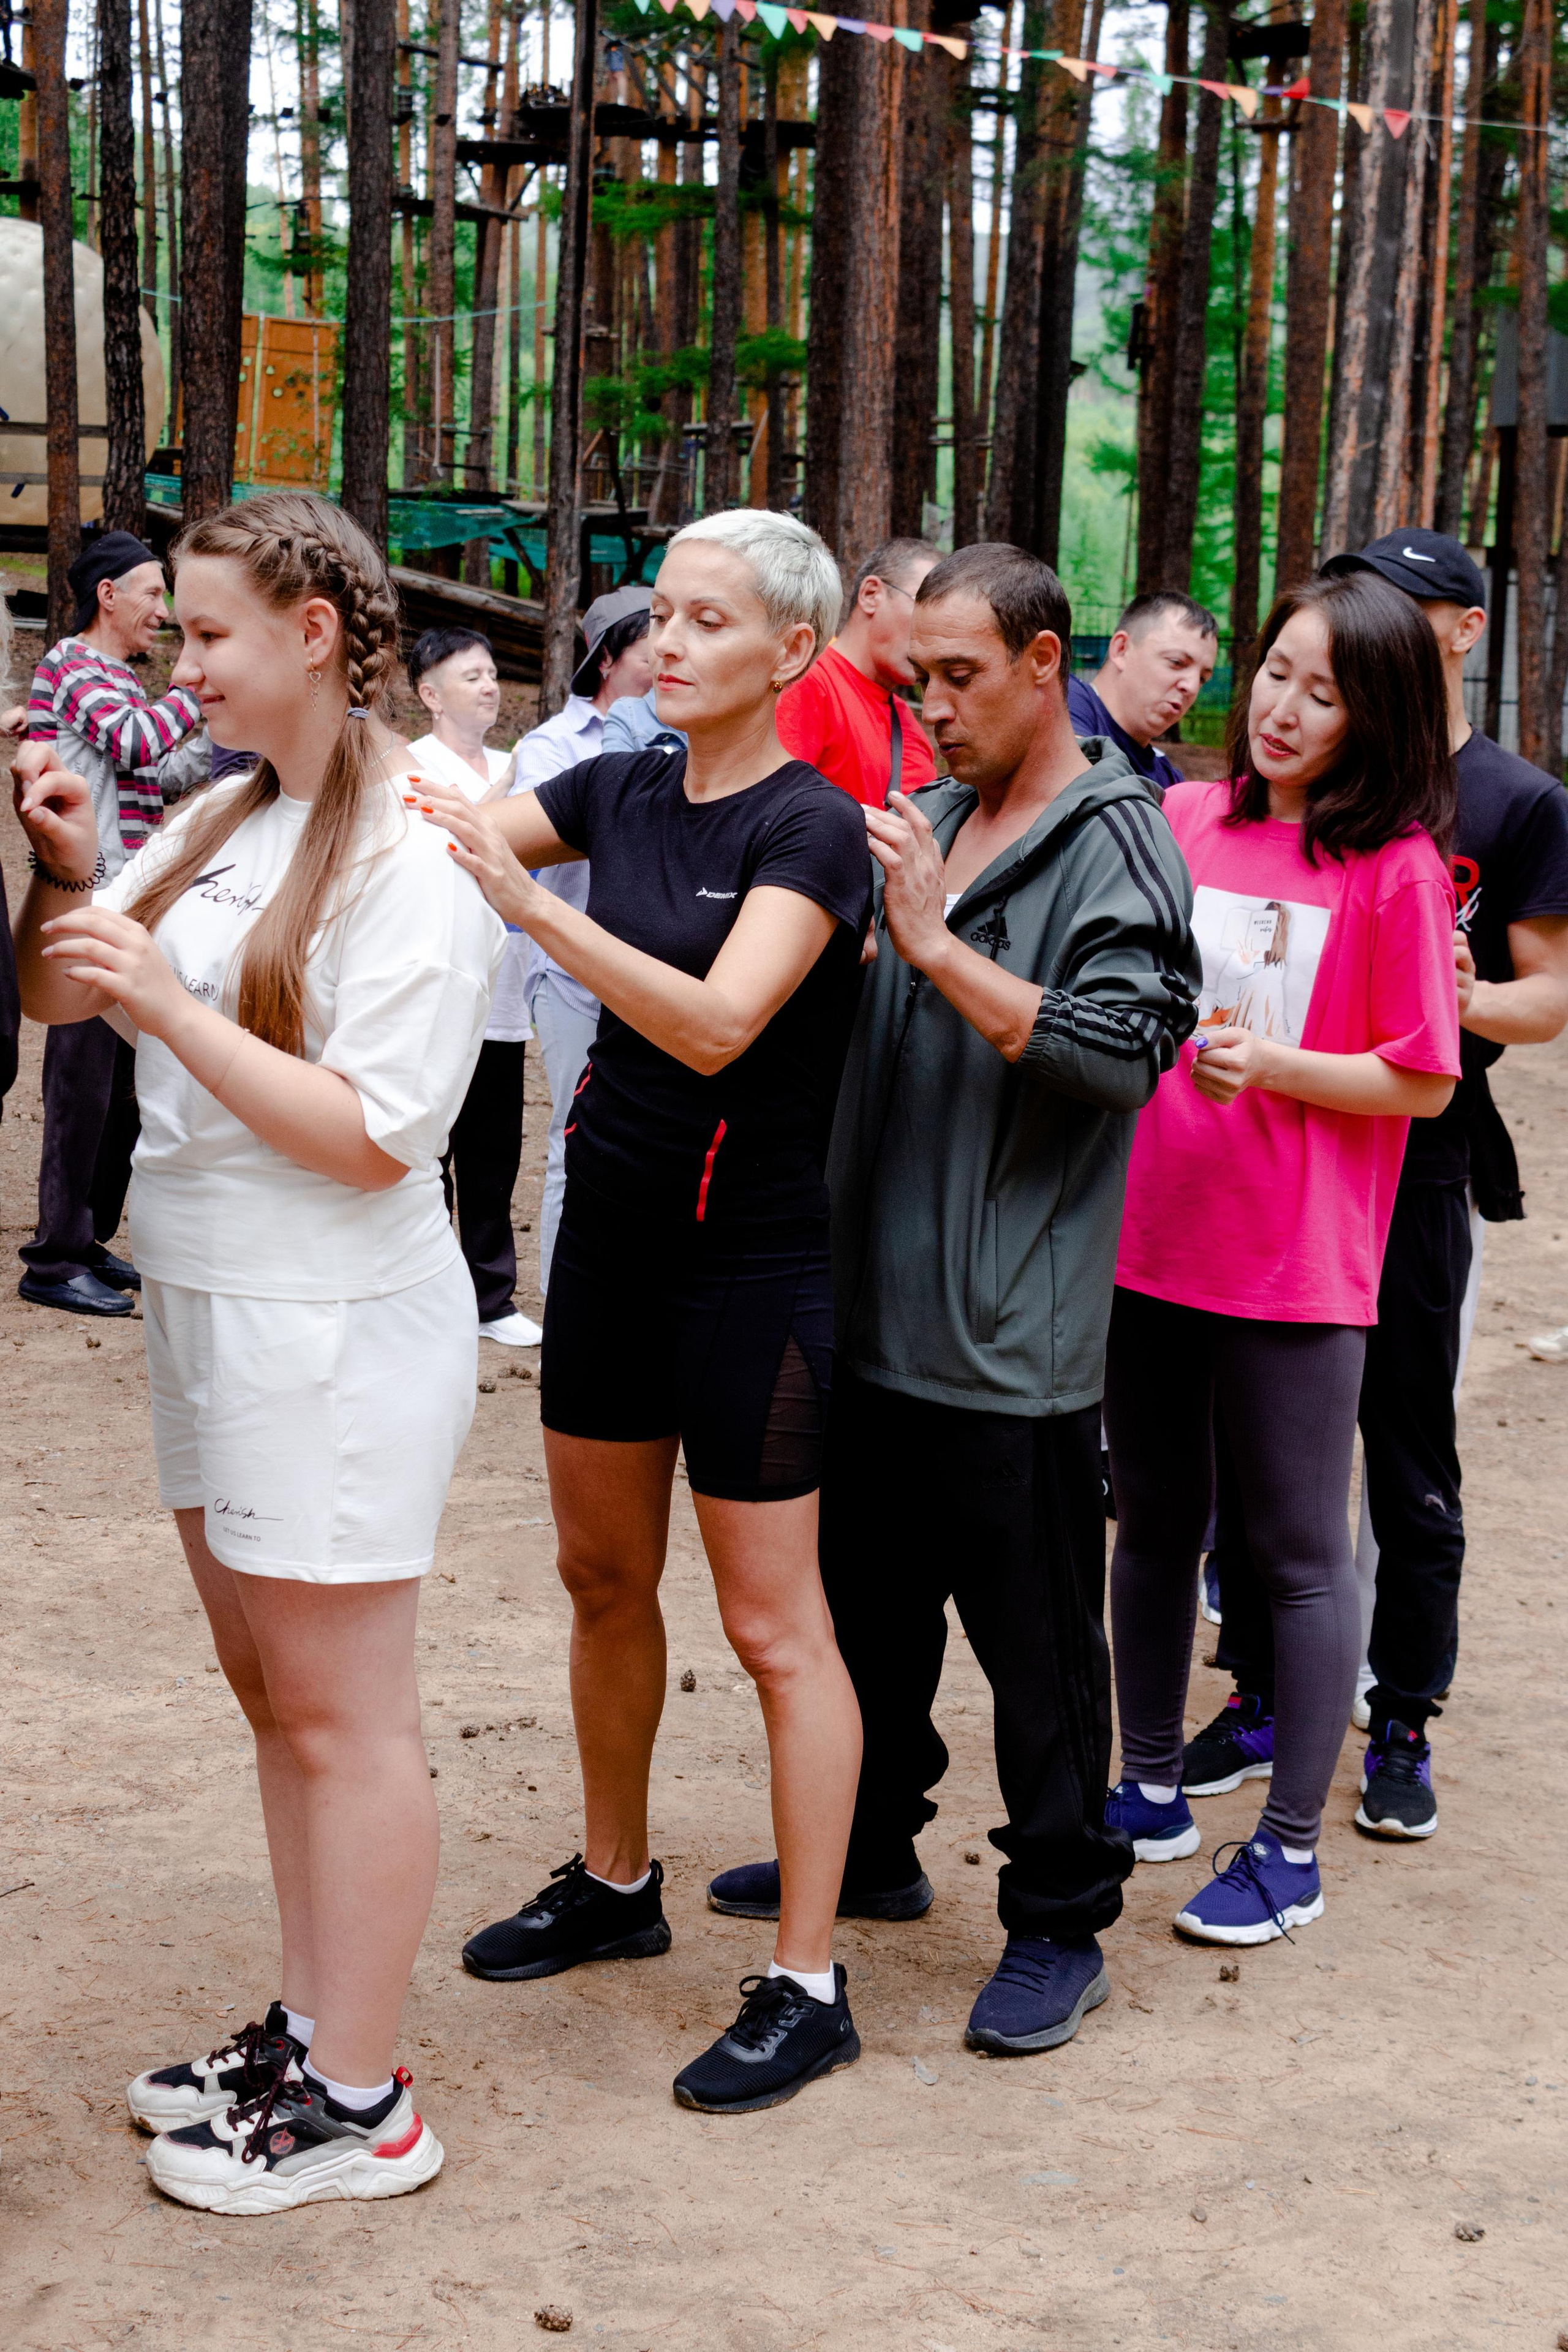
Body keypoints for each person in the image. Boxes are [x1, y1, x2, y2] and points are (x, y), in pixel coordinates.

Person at [11, 490, 503, 2213]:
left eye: (209, 632)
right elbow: (65, 992)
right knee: (273, 1697)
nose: (177, 654)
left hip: (337, 1328)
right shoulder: (230, 804)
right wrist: (72, 864)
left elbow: (377, 1132)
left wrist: (166, 1000)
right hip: (213, 1300)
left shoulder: (413, 842)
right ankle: (313, 2025)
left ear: (311, 634)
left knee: (345, 1714)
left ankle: (366, 2102)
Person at [405, 508, 872, 2115]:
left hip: (754, 1268)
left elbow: (722, 1023)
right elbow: (434, 833)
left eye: (709, 622)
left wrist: (529, 908)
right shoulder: (616, 785)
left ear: (791, 653)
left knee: (771, 1626)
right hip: (605, 1241)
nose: (666, 643)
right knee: (601, 1577)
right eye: (660, 615)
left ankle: (808, 1982)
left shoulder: (812, 828)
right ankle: (616, 1882)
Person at [707, 542, 1201, 2057]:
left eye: (962, 677)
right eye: (916, 677)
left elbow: (1122, 1056)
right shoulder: (923, 813)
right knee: (864, 1621)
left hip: (1010, 1345)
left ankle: (1059, 1918)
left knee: (1038, 1654)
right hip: (867, 1311)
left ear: (1046, 662)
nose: (933, 706)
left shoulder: (1118, 842)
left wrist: (932, 942)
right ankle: (869, 1847)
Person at [1102, 571, 1461, 1947]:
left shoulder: (1395, 870)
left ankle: (1290, 1852)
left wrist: (1281, 1067)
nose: (1281, 707)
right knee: (1148, 1526)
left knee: (1301, 1556)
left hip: (1290, 1262)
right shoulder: (1184, 817)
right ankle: (1145, 1785)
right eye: (1273, 673)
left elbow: (1420, 1080)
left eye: (1322, 691)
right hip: (1148, 1233)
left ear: (1372, 718)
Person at [1196, 529, 1568, 1842]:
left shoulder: (1512, 802)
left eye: (1397, 608)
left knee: (1404, 1445)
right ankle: (1253, 1695)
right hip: (1265, 1156)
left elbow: (1550, 996)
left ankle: (1400, 1711)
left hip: (1415, 1164)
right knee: (1256, 1451)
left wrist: (1463, 996)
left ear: (1458, 631)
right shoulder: (1299, 778)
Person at [19, 531, 211, 1317]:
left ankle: (90, 1235)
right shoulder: (71, 664)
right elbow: (135, 742)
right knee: (81, 1083)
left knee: (125, 1085)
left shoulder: (122, 681)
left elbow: (157, 771)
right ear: (109, 596)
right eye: (154, 595)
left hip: (131, 896)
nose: (162, 613)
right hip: (84, 897)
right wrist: (201, 688)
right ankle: (54, 1258)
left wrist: (227, 746)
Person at [514, 586, 656, 1291]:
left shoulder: (686, 735)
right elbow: (548, 846)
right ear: (607, 658)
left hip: (653, 976)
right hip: (571, 977)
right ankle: (562, 1299)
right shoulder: (550, 746)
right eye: (652, 637)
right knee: (575, 1137)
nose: (671, 650)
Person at [406, 626, 541, 1349]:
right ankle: (426, 1294)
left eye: (492, 674)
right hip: (431, 989)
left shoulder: (518, 763)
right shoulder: (409, 767)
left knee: (493, 1150)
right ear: (429, 695)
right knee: (426, 1149)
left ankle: (491, 1298)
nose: (489, 687)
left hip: (504, 989)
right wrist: (498, 805)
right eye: (470, 677)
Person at [775, 537, 940, 805]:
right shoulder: (809, 681)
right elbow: (773, 812)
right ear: (871, 595)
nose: (933, 631)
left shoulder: (908, 722)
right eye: (923, 607)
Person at [1065, 590, 1218, 795]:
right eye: (1177, 662)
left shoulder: (1168, 777)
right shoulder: (1065, 701)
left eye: (1202, 679)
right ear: (1121, 649)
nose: (1191, 687)